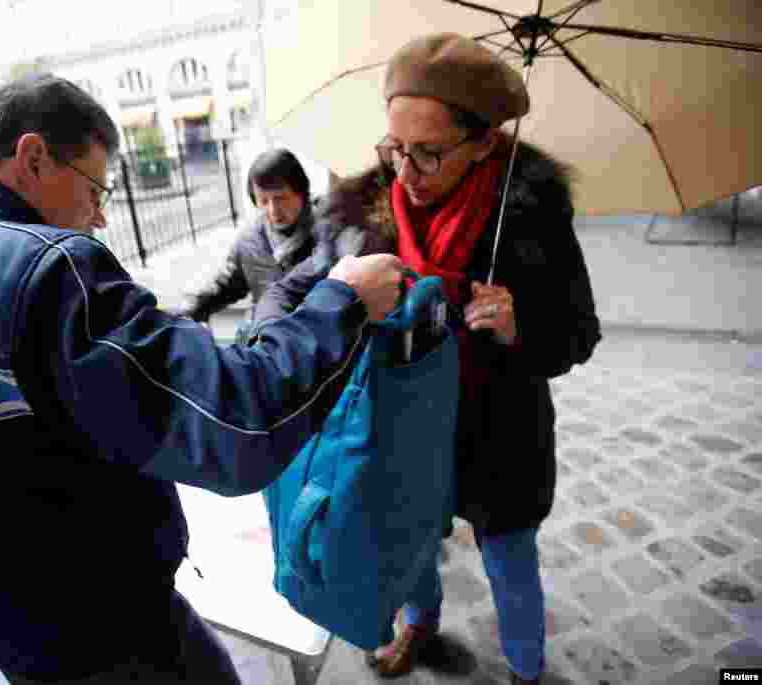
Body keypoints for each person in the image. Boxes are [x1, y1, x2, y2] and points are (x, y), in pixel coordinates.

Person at [0, 73, 405, 684]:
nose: (97, 216)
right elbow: (237, 423)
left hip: (12, 638)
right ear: (34, 157)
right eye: (97, 188)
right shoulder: (44, 267)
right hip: (123, 636)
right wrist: (345, 301)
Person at [253, 34, 601, 684]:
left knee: (509, 560)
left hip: (500, 438)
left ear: (485, 142)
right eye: (395, 147)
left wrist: (522, 325)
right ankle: (421, 623)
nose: (404, 172)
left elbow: (579, 333)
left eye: (429, 153)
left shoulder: (530, 217)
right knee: (410, 550)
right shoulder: (362, 210)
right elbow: (288, 288)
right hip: (401, 428)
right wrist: (276, 337)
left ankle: (527, 667)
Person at [170, 149, 317, 341]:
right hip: (267, 345)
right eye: (263, 201)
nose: (273, 209)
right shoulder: (251, 240)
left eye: (280, 198)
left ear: (302, 193)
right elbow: (226, 284)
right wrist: (189, 308)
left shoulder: (328, 236)